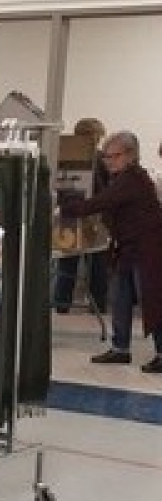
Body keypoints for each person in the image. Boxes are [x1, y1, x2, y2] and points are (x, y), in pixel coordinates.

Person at [60, 130, 162, 372]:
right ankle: (120, 348)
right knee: (120, 299)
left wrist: (63, 209)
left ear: (130, 155)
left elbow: (101, 202)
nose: (108, 161)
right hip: (127, 249)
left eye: (113, 156)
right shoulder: (122, 178)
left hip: (146, 250)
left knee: (153, 302)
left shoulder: (133, 179)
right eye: (106, 157)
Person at [54, 117, 108, 313]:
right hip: (95, 215)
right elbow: (106, 189)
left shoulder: (63, 155)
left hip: (68, 213)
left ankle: (61, 303)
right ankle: (98, 305)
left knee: (67, 262)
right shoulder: (101, 159)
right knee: (97, 264)